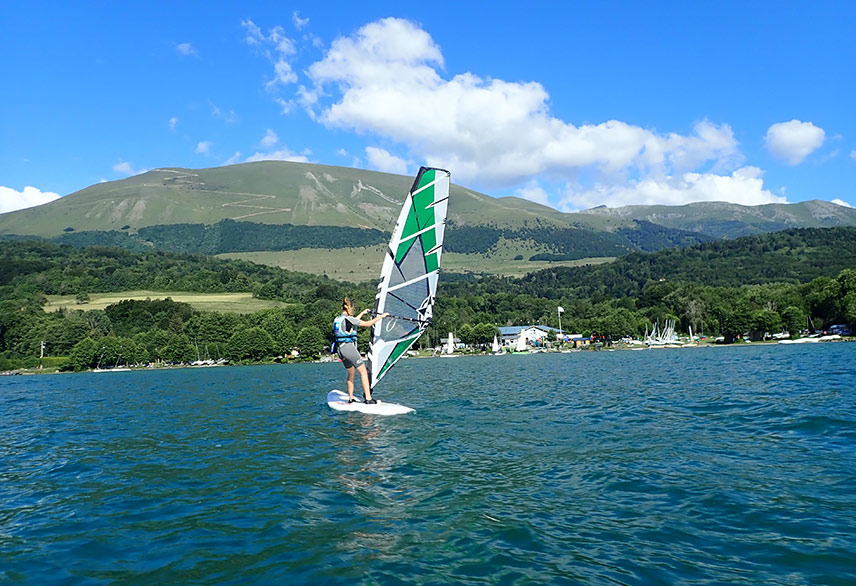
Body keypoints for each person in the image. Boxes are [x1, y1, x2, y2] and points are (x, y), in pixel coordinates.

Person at [334, 297, 388, 404]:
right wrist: (381, 316)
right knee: (363, 372)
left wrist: (362, 313)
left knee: (351, 373)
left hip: (340, 349)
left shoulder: (338, 319)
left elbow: (353, 322)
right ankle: (368, 398)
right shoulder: (349, 319)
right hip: (348, 348)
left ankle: (351, 398)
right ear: (350, 308)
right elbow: (368, 324)